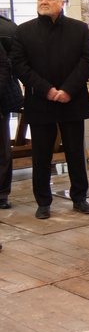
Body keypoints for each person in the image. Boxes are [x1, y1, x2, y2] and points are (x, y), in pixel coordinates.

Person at [10, 0, 89, 219]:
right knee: (41, 155)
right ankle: (43, 202)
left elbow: (88, 60)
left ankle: (80, 198)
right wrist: (46, 89)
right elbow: (19, 65)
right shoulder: (24, 31)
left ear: (62, 2)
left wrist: (68, 89)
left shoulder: (79, 28)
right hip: (40, 101)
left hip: (72, 99)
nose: (44, 2)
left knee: (75, 152)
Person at [0, 15, 18, 210]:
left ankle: (1, 194)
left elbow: (4, 65)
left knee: (1, 149)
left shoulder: (6, 27)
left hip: (1, 98)